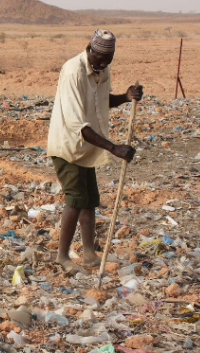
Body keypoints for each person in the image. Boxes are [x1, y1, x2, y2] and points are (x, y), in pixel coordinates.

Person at [47, 29, 143, 270]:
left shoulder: (101, 70)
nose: (102, 64)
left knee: (89, 201)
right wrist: (113, 148)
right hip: (68, 145)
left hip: (87, 146)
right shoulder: (73, 72)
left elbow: (101, 100)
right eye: (99, 59)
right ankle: (62, 257)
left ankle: (89, 254)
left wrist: (125, 96)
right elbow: (77, 124)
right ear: (89, 49)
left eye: (107, 61)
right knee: (75, 200)